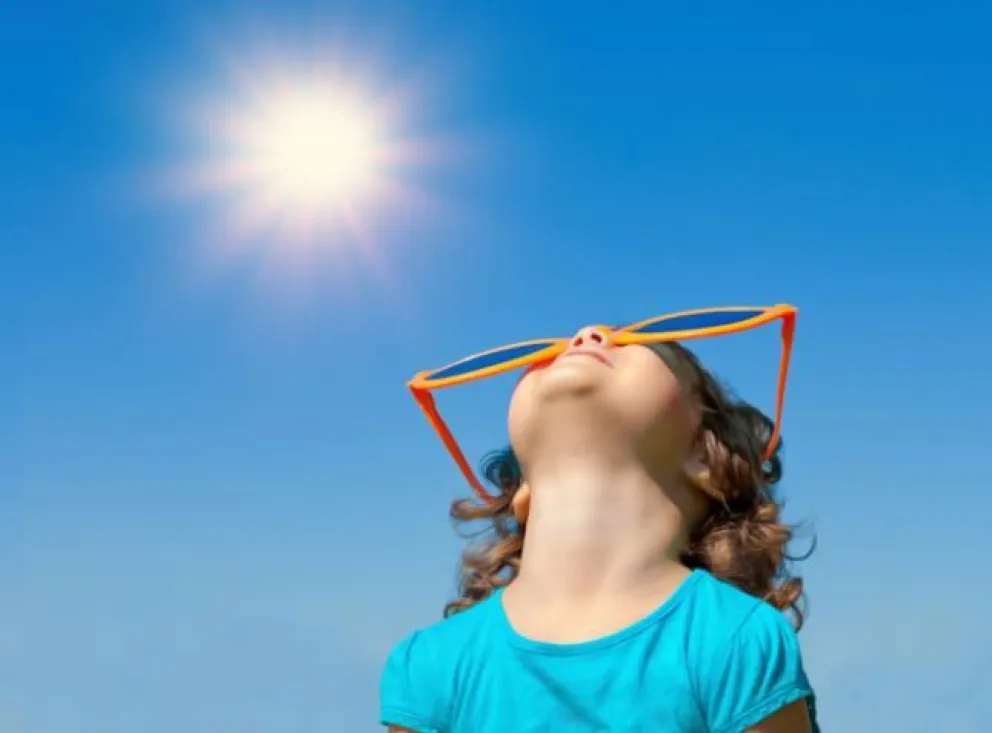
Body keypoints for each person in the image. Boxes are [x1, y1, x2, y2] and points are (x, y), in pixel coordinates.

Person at [380, 326, 818, 732]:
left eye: (640, 344)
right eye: (546, 356)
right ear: (521, 491)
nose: (587, 336)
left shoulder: (735, 641)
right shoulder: (430, 665)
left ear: (706, 458)